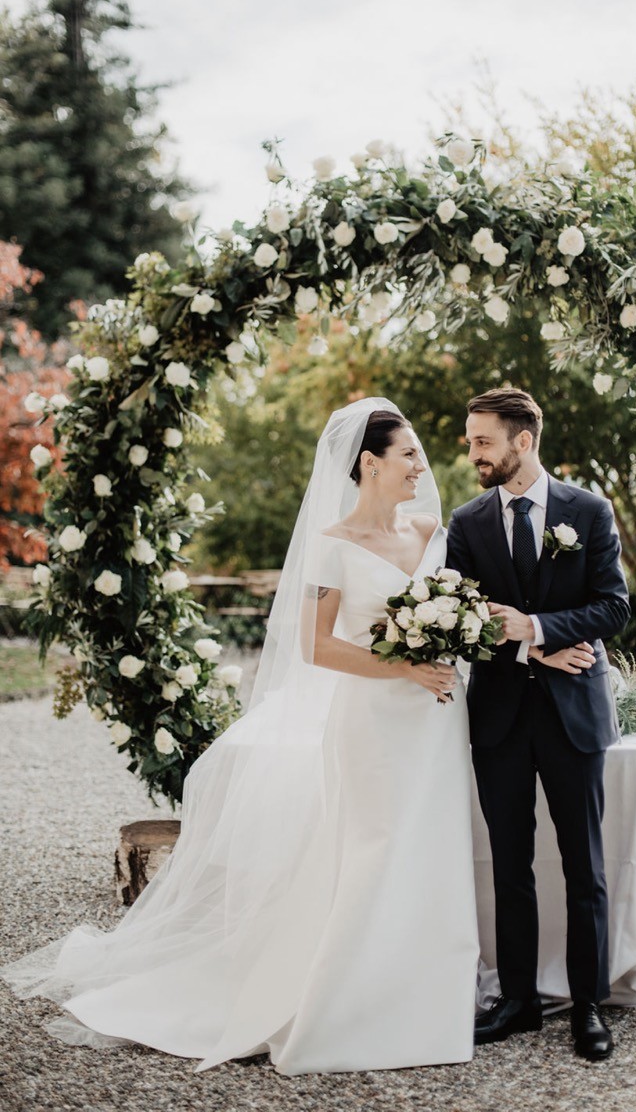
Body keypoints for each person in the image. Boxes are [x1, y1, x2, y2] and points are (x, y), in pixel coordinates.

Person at [3, 397, 480, 1075]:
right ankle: (351, 999)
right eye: (408, 456)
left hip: (435, 720)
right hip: (373, 720)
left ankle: (427, 990)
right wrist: (406, 665)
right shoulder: (333, 545)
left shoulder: (433, 532)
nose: (420, 468)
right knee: (372, 849)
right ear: (369, 463)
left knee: (430, 846)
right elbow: (316, 649)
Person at [446, 387, 630, 1062]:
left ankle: (587, 1006)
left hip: (572, 716)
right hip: (498, 718)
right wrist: (534, 642)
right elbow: (462, 616)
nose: (473, 453)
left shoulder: (588, 510)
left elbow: (612, 608)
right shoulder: (466, 523)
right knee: (509, 865)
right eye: (470, 441)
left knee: (584, 867)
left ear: (522, 441)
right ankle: (518, 1001)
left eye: (482, 441)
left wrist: (543, 626)